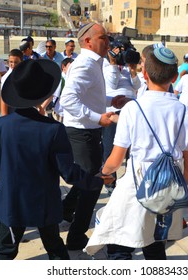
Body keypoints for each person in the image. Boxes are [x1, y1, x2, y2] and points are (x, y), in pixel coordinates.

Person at [0, 59, 108, 260]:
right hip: (44, 202)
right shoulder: (52, 129)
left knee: (5, 251)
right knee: (54, 247)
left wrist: (11, 186)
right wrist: (97, 181)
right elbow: (69, 172)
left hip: (11, 200)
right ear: (42, 95)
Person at [85, 47, 188, 260]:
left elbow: (116, 159)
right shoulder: (186, 112)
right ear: (174, 77)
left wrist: (105, 173)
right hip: (167, 191)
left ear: (145, 75)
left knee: (120, 245)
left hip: (136, 186)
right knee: (155, 245)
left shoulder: (132, 109)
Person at [59, 22, 119, 250]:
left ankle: (66, 209)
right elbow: (68, 100)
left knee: (88, 178)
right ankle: (76, 236)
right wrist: (97, 117)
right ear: (88, 41)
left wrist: (111, 101)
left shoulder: (93, 64)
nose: (108, 42)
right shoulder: (85, 65)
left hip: (86, 131)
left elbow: (89, 96)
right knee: (93, 184)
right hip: (82, 133)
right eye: (104, 37)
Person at [102, 38, 141, 193]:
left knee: (131, 147)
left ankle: (130, 179)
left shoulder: (126, 66)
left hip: (131, 109)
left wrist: (132, 70)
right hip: (112, 110)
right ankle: (110, 182)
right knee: (110, 146)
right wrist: (113, 63)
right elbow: (111, 84)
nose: (121, 53)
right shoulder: (105, 65)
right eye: (118, 49)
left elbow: (137, 85)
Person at [0, 49, 23, 116]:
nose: (13, 65)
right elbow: (3, 99)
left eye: (16, 62)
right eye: (11, 62)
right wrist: (5, 117)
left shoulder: (24, 74)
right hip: (13, 111)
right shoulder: (6, 78)